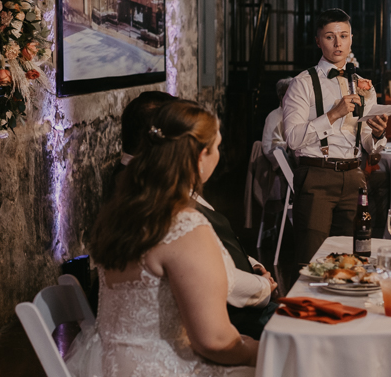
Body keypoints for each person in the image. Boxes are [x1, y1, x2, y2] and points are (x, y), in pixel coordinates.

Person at [66, 100, 258, 377]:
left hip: (107, 370)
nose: (219, 155)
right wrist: (262, 349)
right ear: (199, 156)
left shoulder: (123, 210)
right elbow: (214, 341)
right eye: (216, 147)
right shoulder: (185, 225)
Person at [118, 91, 277, 340]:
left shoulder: (144, 191)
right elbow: (214, 337)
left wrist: (253, 267)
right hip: (223, 320)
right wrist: (262, 288)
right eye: (216, 147)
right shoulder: (173, 211)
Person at [282, 8, 389, 265]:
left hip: (354, 177)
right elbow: (293, 139)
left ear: (351, 38)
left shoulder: (365, 86)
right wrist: (332, 114)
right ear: (319, 41)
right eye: (330, 36)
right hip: (316, 175)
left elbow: (366, 140)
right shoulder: (302, 83)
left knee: (352, 258)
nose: (338, 43)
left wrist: (377, 133)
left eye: (343, 35)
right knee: (310, 258)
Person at [262, 77, 293, 167]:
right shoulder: (273, 116)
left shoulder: (297, 114)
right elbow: (269, 145)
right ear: (281, 96)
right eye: (290, 93)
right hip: (282, 164)